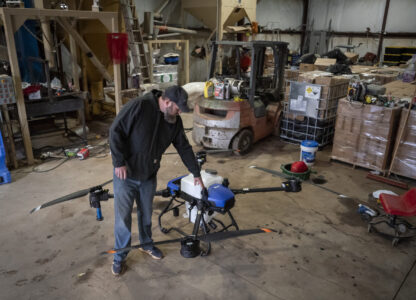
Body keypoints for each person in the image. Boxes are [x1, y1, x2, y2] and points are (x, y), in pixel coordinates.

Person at [109, 86, 204, 276]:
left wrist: (195, 173)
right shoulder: (140, 106)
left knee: (146, 214)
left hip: (148, 176)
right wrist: (118, 162)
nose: (179, 113)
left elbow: (183, 147)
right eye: (178, 108)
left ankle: (146, 244)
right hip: (125, 175)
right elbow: (115, 130)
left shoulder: (173, 121)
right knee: (123, 218)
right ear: (167, 102)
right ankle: (119, 256)